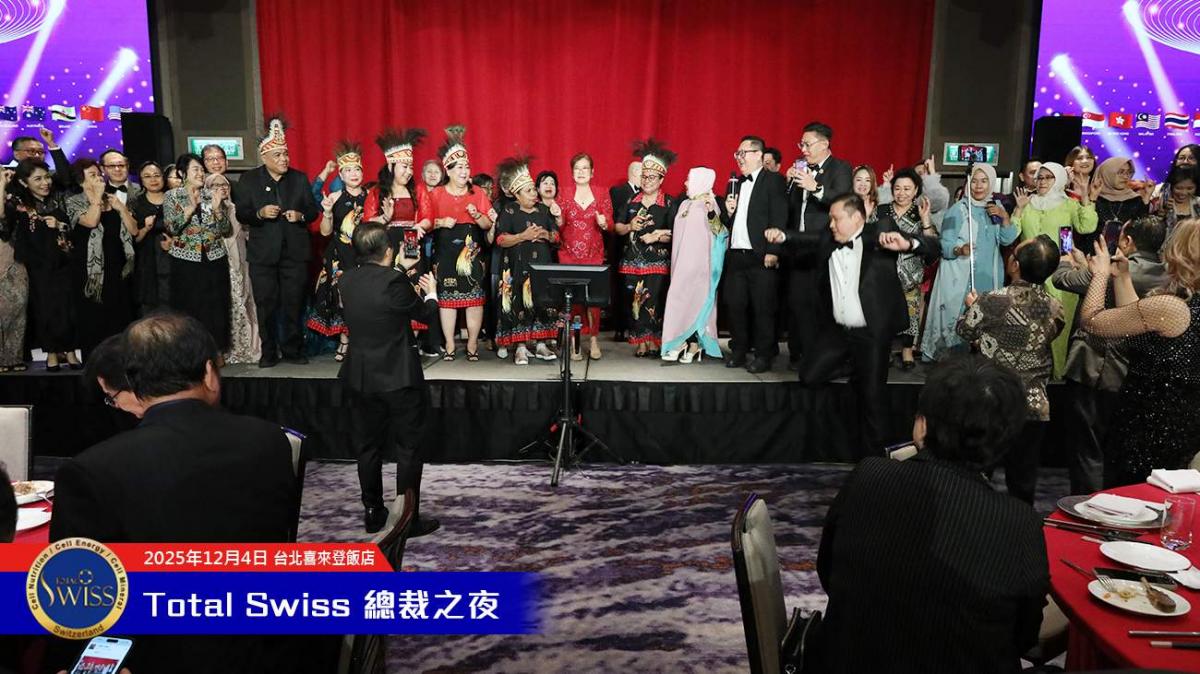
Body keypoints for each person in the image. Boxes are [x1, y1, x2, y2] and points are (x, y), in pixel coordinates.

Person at [48, 312, 305, 673]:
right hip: (264, 649)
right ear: (209, 373)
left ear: (134, 386)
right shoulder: (270, 441)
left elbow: (73, 605)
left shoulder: (91, 470)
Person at [816, 355, 1047, 674]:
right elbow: (1024, 637)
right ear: (1008, 439)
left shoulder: (868, 476)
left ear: (921, 425)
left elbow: (829, 573)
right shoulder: (1021, 523)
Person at [766, 193, 938, 454]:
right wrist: (782, 236)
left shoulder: (880, 233)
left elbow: (934, 248)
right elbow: (806, 238)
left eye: (836, 219)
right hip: (839, 331)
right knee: (809, 375)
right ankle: (855, 367)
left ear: (857, 218)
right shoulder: (829, 238)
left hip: (872, 333)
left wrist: (909, 244)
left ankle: (874, 461)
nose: (831, 224)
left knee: (872, 398)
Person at [338, 222, 440, 535]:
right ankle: (406, 519)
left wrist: (401, 272)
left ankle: (373, 512)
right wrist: (432, 294)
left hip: (360, 375)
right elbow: (424, 314)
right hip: (398, 376)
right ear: (388, 251)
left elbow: (380, 294)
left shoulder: (347, 280)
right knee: (407, 448)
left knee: (367, 447)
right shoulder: (394, 281)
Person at [1052, 216, 1167, 493]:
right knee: (1117, 446)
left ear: (1128, 241)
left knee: (1087, 448)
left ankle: (1087, 505)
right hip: (1135, 371)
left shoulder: (1114, 269)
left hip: (1094, 368)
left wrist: (1066, 260)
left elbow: (1062, 279)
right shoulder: (1168, 274)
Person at [1081, 219, 1200, 486]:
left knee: (1132, 498)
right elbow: (1139, 321)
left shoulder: (1172, 308)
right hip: (1182, 428)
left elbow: (1092, 321)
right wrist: (1122, 277)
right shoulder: (1175, 310)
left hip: (1146, 429)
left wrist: (1100, 274)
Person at [956, 236, 1064, 503]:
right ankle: (1021, 524)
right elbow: (1037, 338)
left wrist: (973, 309)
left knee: (977, 476)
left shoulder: (992, 300)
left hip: (991, 399)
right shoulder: (1055, 307)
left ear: (1015, 265)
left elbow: (965, 330)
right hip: (1033, 404)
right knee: (1023, 480)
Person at [233, 115, 320, 367]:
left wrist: (300, 216)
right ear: (265, 157)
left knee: (294, 303)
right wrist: (259, 213)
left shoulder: (299, 179)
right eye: (278, 155)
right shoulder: (249, 180)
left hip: (295, 253)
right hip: (263, 255)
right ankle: (269, 351)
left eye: (286, 154)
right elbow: (242, 213)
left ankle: (292, 349)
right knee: (266, 305)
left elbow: (313, 211)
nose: (284, 159)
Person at [922, 164, 1019, 361]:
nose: (978, 186)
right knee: (960, 327)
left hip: (989, 277)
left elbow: (1007, 240)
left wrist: (1005, 218)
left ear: (991, 183)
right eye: (974, 181)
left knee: (985, 325)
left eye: (984, 181)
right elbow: (944, 246)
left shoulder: (996, 208)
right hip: (961, 279)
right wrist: (960, 249)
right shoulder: (957, 210)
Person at [416, 126, 495, 361]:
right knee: (447, 300)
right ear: (448, 171)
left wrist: (477, 215)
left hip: (472, 252)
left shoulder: (477, 192)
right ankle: (450, 344)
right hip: (445, 252)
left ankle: (472, 344)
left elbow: (488, 225)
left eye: (467, 166)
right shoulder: (435, 194)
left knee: (474, 299)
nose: (464, 171)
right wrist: (440, 222)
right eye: (459, 167)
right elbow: (423, 222)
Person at [1013, 161, 1098, 376]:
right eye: (1039, 177)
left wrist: (1086, 198)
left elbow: (1087, 226)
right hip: (1029, 275)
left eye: (1048, 177)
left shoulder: (1068, 204)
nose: (1042, 181)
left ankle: (1057, 376)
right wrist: (1018, 210)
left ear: (1058, 179)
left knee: (1058, 326)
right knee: (1028, 325)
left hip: (1059, 273)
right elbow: (1013, 232)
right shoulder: (1027, 203)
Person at [364, 128, 441, 356]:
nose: (408, 172)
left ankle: (413, 341)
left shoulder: (417, 189)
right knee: (388, 288)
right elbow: (367, 222)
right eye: (404, 167)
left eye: (410, 167)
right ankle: (391, 339)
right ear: (391, 166)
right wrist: (385, 218)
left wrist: (419, 226)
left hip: (410, 240)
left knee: (412, 285)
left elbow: (429, 217)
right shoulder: (377, 191)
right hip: (385, 243)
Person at [785, 121, 853, 369]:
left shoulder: (840, 168)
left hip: (825, 248)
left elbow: (843, 201)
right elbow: (791, 209)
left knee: (821, 305)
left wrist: (816, 187)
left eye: (807, 144)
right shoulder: (801, 168)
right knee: (797, 303)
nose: (803, 149)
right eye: (801, 144)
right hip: (799, 247)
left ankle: (824, 357)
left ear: (824, 144)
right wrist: (788, 183)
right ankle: (799, 353)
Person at [2, 160, 76, 371]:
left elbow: (74, 230)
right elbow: (4, 225)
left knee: (68, 308)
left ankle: (71, 352)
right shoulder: (18, 205)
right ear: (24, 183)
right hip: (37, 266)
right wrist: (2, 184)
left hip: (64, 262)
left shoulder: (59, 198)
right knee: (45, 309)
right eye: (38, 179)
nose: (45, 183)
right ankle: (51, 353)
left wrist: (59, 225)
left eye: (46, 177)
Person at [722, 135, 787, 371]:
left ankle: (763, 355)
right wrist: (728, 212)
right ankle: (739, 351)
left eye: (743, 153)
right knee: (735, 306)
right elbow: (730, 222)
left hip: (761, 255)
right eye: (737, 154)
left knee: (763, 308)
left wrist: (774, 250)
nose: (739, 158)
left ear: (759, 154)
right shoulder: (736, 183)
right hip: (736, 255)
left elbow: (779, 215)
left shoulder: (774, 181)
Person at [493, 157, 561, 364]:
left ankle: (541, 345)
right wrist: (522, 236)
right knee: (518, 302)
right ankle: (520, 347)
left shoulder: (543, 210)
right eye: (529, 191)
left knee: (542, 301)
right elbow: (500, 239)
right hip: (517, 267)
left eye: (533, 190)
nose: (534, 194)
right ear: (517, 194)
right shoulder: (509, 211)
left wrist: (545, 235)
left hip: (542, 266)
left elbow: (557, 236)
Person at [67, 158, 136, 360]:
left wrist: (121, 208)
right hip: (91, 272)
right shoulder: (74, 201)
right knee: (93, 319)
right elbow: (91, 221)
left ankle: (122, 365)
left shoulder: (113, 199)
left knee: (119, 318)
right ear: (81, 181)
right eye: (92, 175)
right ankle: (94, 365)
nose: (99, 179)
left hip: (117, 267)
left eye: (99, 174)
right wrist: (97, 197)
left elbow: (133, 230)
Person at [163, 156, 233, 354]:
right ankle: (190, 351)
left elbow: (226, 230)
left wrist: (218, 210)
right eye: (196, 169)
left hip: (214, 258)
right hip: (186, 260)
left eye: (202, 169)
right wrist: (188, 211)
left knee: (215, 306)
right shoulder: (172, 196)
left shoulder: (211, 195)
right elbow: (171, 227)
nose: (201, 173)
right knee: (189, 306)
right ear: (182, 173)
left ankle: (216, 349)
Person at [616, 139, 677, 357]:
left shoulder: (669, 203)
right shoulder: (632, 201)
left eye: (652, 177)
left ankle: (654, 340)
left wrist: (657, 235)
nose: (647, 181)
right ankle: (640, 341)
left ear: (661, 179)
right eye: (644, 176)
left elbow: (677, 233)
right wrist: (630, 226)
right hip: (632, 261)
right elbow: (618, 227)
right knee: (635, 302)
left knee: (655, 301)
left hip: (657, 262)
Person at [307, 141, 367, 361]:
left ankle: (363, 340)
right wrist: (327, 212)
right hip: (340, 254)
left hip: (365, 254)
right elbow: (325, 232)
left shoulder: (371, 195)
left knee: (365, 298)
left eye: (357, 169)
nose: (353, 174)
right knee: (343, 298)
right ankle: (345, 340)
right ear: (341, 175)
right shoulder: (334, 197)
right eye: (348, 170)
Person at [661, 167, 726, 363]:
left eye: (689, 179)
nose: (685, 183)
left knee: (696, 302)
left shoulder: (710, 204)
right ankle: (679, 341)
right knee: (679, 301)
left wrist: (711, 211)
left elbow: (720, 233)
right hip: (681, 265)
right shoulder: (684, 204)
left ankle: (694, 344)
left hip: (700, 267)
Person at [875, 168, 936, 369]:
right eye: (898, 188)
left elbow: (932, 246)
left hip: (911, 274)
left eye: (907, 189)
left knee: (911, 313)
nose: (902, 193)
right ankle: (884, 349)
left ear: (916, 190)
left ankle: (907, 350)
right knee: (883, 314)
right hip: (884, 272)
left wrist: (926, 221)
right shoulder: (881, 210)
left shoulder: (920, 212)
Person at [558, 152, 613, 360]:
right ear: (572, 172)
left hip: (593, 254)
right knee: (573, 300)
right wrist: (556, 216)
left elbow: (610, 223)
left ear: (592, 172)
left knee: (593, 300)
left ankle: (593, 339)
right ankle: (575, 340)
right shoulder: (564, 193)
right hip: (569, 254)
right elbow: (559, 225)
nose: (581, 172)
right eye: (577, 168)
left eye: (585, 168)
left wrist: (603, 223)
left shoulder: (601, 193)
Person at [128, 161, 171, 315]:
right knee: (150, 310)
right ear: (141, 180)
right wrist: (146, 228)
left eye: (157, 175)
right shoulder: (135, 203)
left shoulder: (174, 199)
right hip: (147, 261)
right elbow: (133, 239)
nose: (153, 179)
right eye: (147, 176)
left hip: (173, 259)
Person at [0, 166, 30, 371]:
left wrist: (6, 185)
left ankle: (14, 358)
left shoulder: (14, 199)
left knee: (18, 310)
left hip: (15, 259)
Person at [609, 161, 642, 342]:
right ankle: (620, 327)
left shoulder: (648, 194)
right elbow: (616, 218)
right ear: (635, 172)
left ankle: (636, 326)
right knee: (621, 288)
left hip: (641, 249)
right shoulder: (618, 192)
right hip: (621, 247)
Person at [1091, 156, 1151, 253]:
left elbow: (1141, 230)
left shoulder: (1135, 199)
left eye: (1128, 172)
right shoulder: (1093, 197)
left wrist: (1147, 196)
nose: (1125, 176)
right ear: (1107, 173)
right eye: (1121, 172)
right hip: (1093, 253)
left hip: (1125, 255)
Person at [1157, 164, 1198, 247]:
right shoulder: (1163, 202)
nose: (1183, 193)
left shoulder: (1198, 203)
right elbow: (1155, 232)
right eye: (1178, 188)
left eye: (1190, 188)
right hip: (1167, 249)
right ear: (1171, 187)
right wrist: (1162, 213)